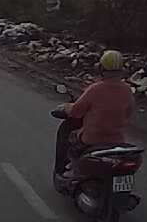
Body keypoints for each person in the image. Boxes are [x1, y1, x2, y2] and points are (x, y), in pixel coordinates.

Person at [54, 49, 136, 178]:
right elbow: (129, 113)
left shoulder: (96, 89)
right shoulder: (127, 90)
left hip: (92, 139)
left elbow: (76, 111)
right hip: (116, 140)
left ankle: (66, 170)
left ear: (101, 68)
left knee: (69, 137)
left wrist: (65, 108)